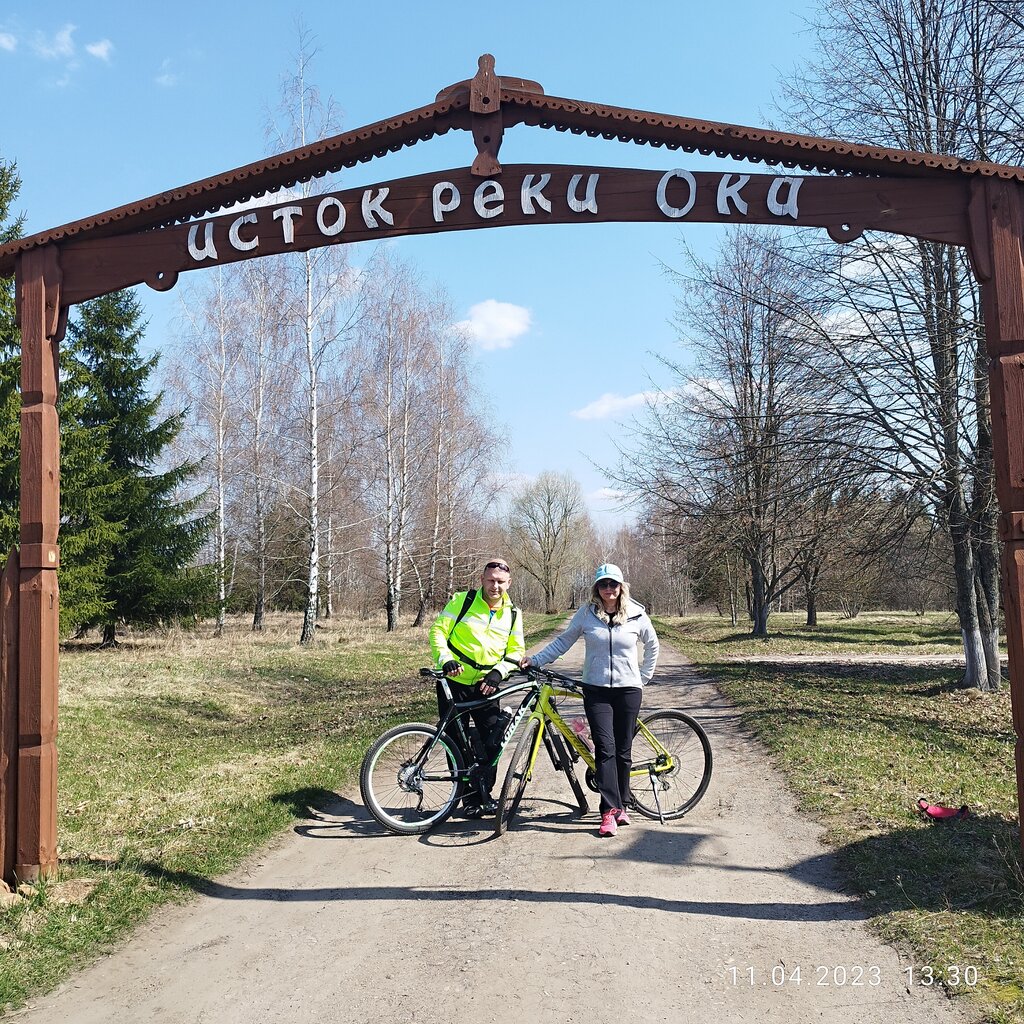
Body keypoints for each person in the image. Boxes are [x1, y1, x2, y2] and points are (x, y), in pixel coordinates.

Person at [521, 563, 659, 837]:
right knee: (605, 749)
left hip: (628, 691)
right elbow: (563, 642)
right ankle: (608, 811)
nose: (608, 589)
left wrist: (643, 677)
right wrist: (535, 659)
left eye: (613, 584)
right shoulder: (586, 614)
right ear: (597, 588)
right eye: (603, 584)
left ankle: (623, 804)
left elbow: (652, 644)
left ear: (621, 587)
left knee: (623, 751)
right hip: (596, 691)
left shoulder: (636, 614)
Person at [429, 559, 525, 817]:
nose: (495, 586)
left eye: (500, 582)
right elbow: (438, 632)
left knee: (493, 741)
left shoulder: (513, 613)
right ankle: (467, 799)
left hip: (487, 686)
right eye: (490, 580)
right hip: (455, 681)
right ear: (482, 580)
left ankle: (484, 794)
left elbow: (516, 651)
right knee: (456, 742)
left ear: (509, 583)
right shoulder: (463, 601)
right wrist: (445, 660)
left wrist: (498, 673)